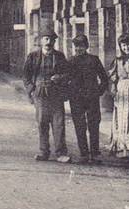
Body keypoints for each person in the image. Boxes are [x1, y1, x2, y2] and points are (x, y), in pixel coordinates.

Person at [22, 22, 72, 163]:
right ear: (41, 40)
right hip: (40, 94)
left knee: (59, 123)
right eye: (46, 39)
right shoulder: (32, 57)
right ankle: (44, 152)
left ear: (55, 41)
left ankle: (61, 153)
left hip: (56, 94)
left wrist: (60, 77)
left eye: (51, 39)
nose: (48, 42)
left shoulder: (60, 57)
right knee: (42, 123)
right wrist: (31, 89)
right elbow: (26, 76)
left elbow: (68, 73)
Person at [66, 33, 108, 163]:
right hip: (76, 98)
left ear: (86, 47)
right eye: (76, 46)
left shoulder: (94, 60)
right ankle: (83, 153)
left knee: (94, 125)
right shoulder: (70, 61)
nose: (79, 49)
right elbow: (64, 79)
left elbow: (104, 78)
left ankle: (94, 153)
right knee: (79, 125)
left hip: (92, 97)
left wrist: (99, 91)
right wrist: (68, 93)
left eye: (81, 46)